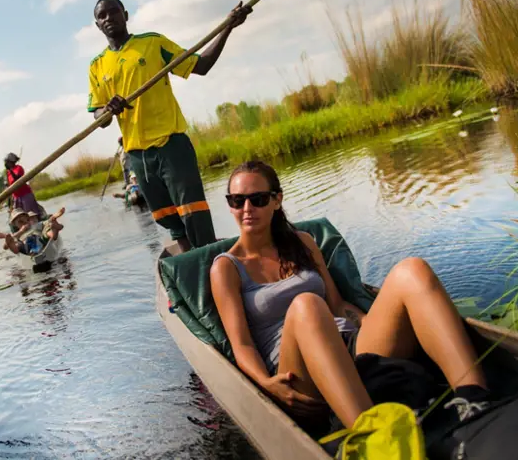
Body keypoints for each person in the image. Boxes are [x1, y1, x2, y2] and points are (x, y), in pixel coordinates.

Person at [209, 160, 491, 431]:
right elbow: (242, 344)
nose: (246, 208)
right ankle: (376, 437)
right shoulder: (226, 268)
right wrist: (265, 384)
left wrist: (376, 325)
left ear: (276, 200)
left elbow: (338, 305)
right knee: (307, 304)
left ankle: (475, 399)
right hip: (298, 374)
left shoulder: (303, 242)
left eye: (257, 199)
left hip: (346, 344)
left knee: (412, 270)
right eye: (236, 200)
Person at [88, 0, 252, 251]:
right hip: (138, 155)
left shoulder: (152, 43)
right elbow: (99, 118)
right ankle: (194, 272)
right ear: (98, 25)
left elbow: (201, 65)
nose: (109, 18)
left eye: (113, 12)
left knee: (194, 214)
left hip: (171, 145)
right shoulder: (97, 66)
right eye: (102, 16)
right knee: (170, 221)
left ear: (126, 15)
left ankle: (215, 271)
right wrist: (107, 109)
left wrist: (228, 26)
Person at [0, 207, 65, 256]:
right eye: (18, 220)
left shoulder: (34, 225)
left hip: (41, 242)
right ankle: (15, 249)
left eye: (22, 218)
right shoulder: (18, 233)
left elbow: (45, 223)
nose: (21, 220)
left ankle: (54, 231)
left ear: (27, 218)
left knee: (45, 233)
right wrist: (21, 231)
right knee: (18, 243)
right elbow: (5, 246)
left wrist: (52, 218)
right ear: (14, 224)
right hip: (26, 248)